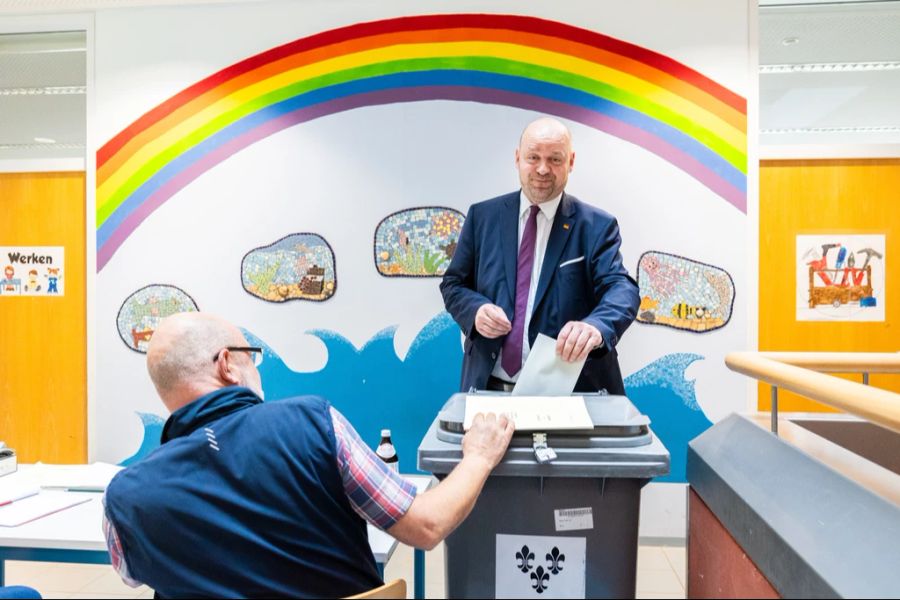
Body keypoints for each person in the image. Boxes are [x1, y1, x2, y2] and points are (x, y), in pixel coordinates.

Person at [103, 312, 514, 598]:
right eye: (251, 354)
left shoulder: (125, 500)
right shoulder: (313, 422)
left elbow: (133, 576)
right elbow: (426, 525)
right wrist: (478, 455)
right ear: (227, 365)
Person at [441, 117, 640, 395]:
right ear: (517, 158)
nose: (543, 169)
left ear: (570, 162)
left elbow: (622, 289)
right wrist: (475, 311)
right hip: (488, 388)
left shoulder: (596, 226)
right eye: (533, 157)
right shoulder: (482, 217)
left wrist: (596, 326)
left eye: (555, 159)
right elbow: (454, 284)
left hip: (571, 393)